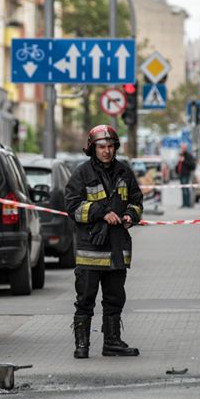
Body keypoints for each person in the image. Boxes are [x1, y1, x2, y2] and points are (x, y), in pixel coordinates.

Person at [65, 124, 144, 359]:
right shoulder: (82, 174)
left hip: (117, 247)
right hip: (91, 249)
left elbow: (137, 200)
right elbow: (72, 206)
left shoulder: (124, 172)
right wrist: (100, 212)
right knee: (85, 299)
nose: (107, 151)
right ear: (92, 149)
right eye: (102, 147)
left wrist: (131, 215)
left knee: (115, 298)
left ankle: (112, 343)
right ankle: (82, 345)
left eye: (111, 146)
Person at [175, 143, 196, 208]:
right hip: (181, 174)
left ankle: (187, 204)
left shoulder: (188, 156)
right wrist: (176, 170)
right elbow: (178, 165)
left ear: (185, 148)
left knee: (186, 189)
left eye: (183, 148)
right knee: (183, 189)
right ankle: (184, 203)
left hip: (186, 174)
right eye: (181, 148)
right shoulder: (181, 155)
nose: (182, 149)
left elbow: (192, 165)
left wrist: (184, 161)